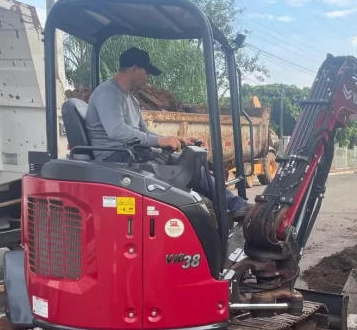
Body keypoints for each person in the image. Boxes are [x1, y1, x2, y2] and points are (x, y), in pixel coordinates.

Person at [85, 47, 252, 219]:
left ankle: (226, 209)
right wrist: (159, 142)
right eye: (146, 72)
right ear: (134, 69)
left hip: (132, 153)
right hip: (114, 158)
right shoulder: (109, 93)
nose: (148, 78)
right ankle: (233, 206)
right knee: (186, 170)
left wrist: (175, 139)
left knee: (192, 165)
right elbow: (116, 131)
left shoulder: (131, 100)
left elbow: (143, 131)